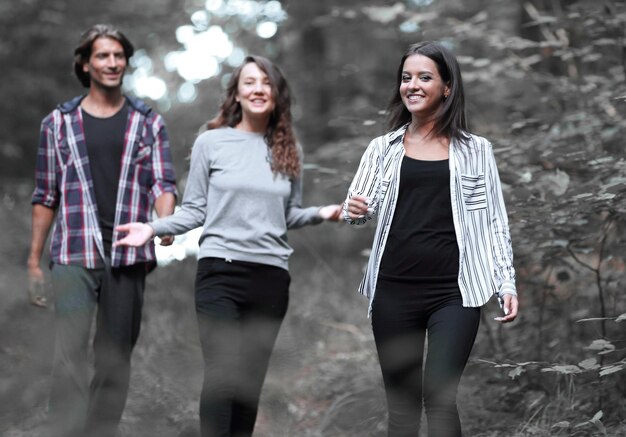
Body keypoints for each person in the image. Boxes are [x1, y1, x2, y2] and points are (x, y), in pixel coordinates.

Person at [114, 55, 342, 437]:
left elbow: (286, 215)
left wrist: (325, 212)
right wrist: (152, 229)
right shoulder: (212, 142)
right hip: (220, 272)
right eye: (249, 82)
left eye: (266, 83)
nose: (258, 89)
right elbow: (196, 209)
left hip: (270, 277)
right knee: (222, 375)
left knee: (248, 385)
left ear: (277, 94)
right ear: (236, 93)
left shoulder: (289, 150)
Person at [343, 41, 519, 437]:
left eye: (425, 77)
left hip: (455, 293)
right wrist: (354, 211)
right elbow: (357, 210)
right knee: (402, 409)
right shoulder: (382, 149)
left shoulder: (477, 151)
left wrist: (505, 280)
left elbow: (494, 220)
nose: (413, 85)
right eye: (406, 78)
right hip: (393, 292)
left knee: (439, 399)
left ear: (447, 87)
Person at [27, 24, 177, 437]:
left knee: (115, 357)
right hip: (73, 252)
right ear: (85, 63)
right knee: (69, 355)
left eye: (118, 55)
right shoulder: (58, 123)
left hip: (128, 255)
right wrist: (34, 262)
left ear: (126, 61)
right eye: (102, 55)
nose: (111, 63)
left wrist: (161, 224)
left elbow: (163, 183)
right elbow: (45, 195)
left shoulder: (148, 122)